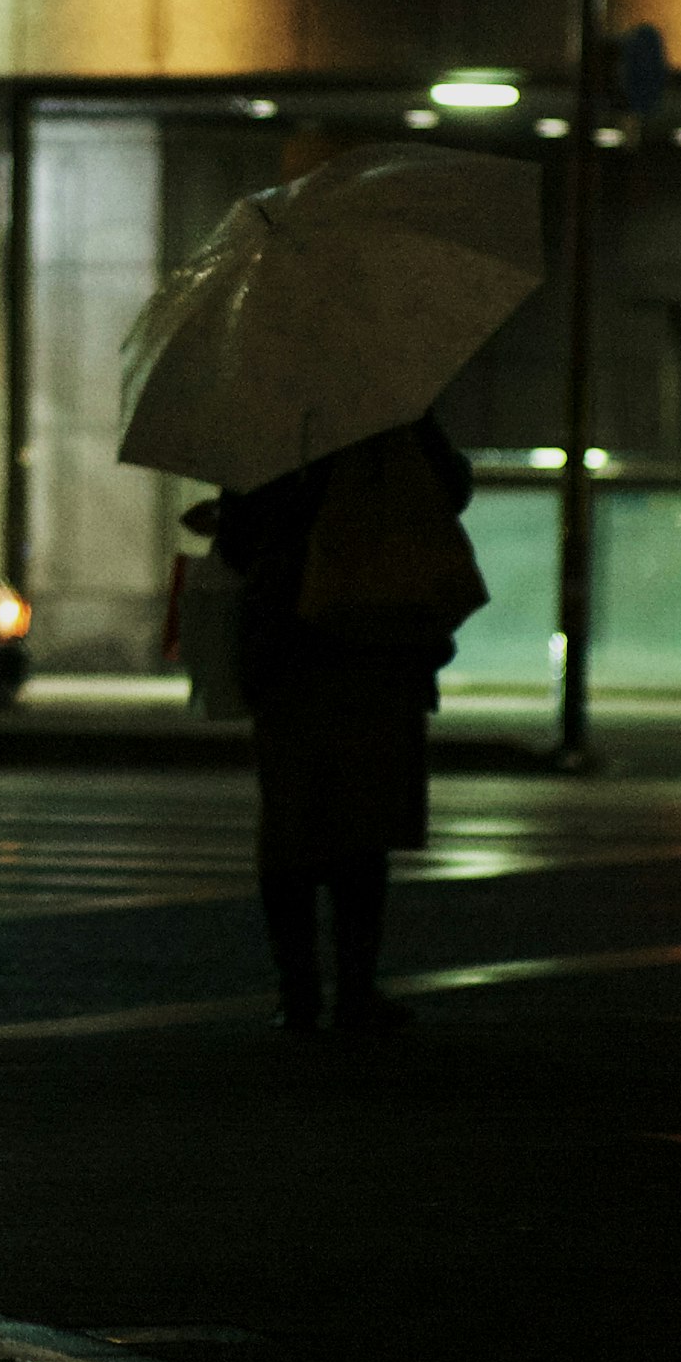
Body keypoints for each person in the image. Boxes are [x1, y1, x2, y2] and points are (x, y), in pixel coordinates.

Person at [193, 413, 475, 1033]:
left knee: (292, 826)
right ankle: (355, 989)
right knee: (364, 826)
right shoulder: (392, 417)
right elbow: (453, 488)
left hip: (290, 649)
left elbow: (239, 544)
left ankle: (298, 993)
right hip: (378, 642)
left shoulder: (270, 432)